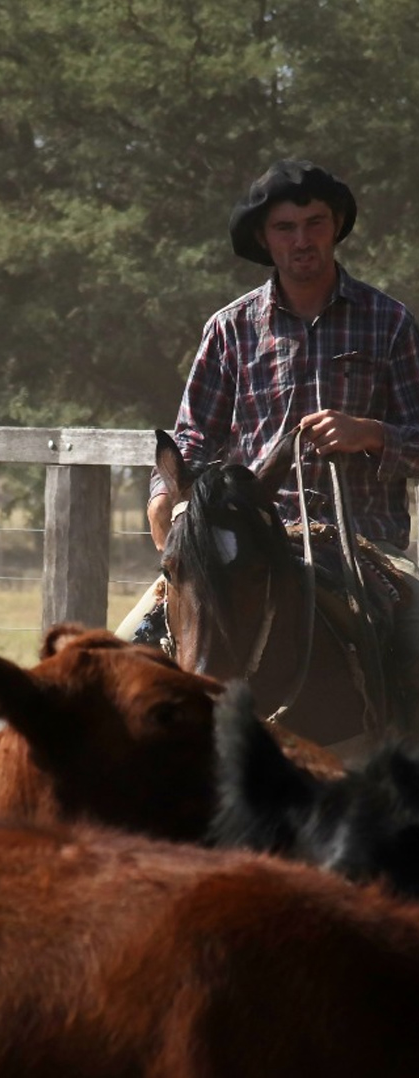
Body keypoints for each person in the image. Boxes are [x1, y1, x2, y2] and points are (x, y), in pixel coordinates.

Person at [118, 158, 419, 728]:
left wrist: (372, 435)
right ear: (264, 238)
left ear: (336, 227)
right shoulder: (230, 329)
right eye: (286, 227)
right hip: (246, 544)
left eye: (315, 223)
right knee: (122, 655)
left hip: (366, 547)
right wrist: (165, 496)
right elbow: (190, 438)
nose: (302, 239)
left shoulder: (391, 323)